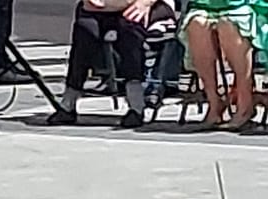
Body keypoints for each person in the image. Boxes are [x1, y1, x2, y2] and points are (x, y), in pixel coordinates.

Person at [48, 0, 180, 129]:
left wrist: (145, 2)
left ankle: (136, 107)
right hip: (100, 9)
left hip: (146, 5)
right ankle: (68, 105)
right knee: (85, 31)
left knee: (130, 34)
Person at [181, 0, 268, 128]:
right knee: (196, 24)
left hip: (249, 6)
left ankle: (245, 102)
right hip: (205, 5)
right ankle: (214, 101)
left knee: (228, 25)